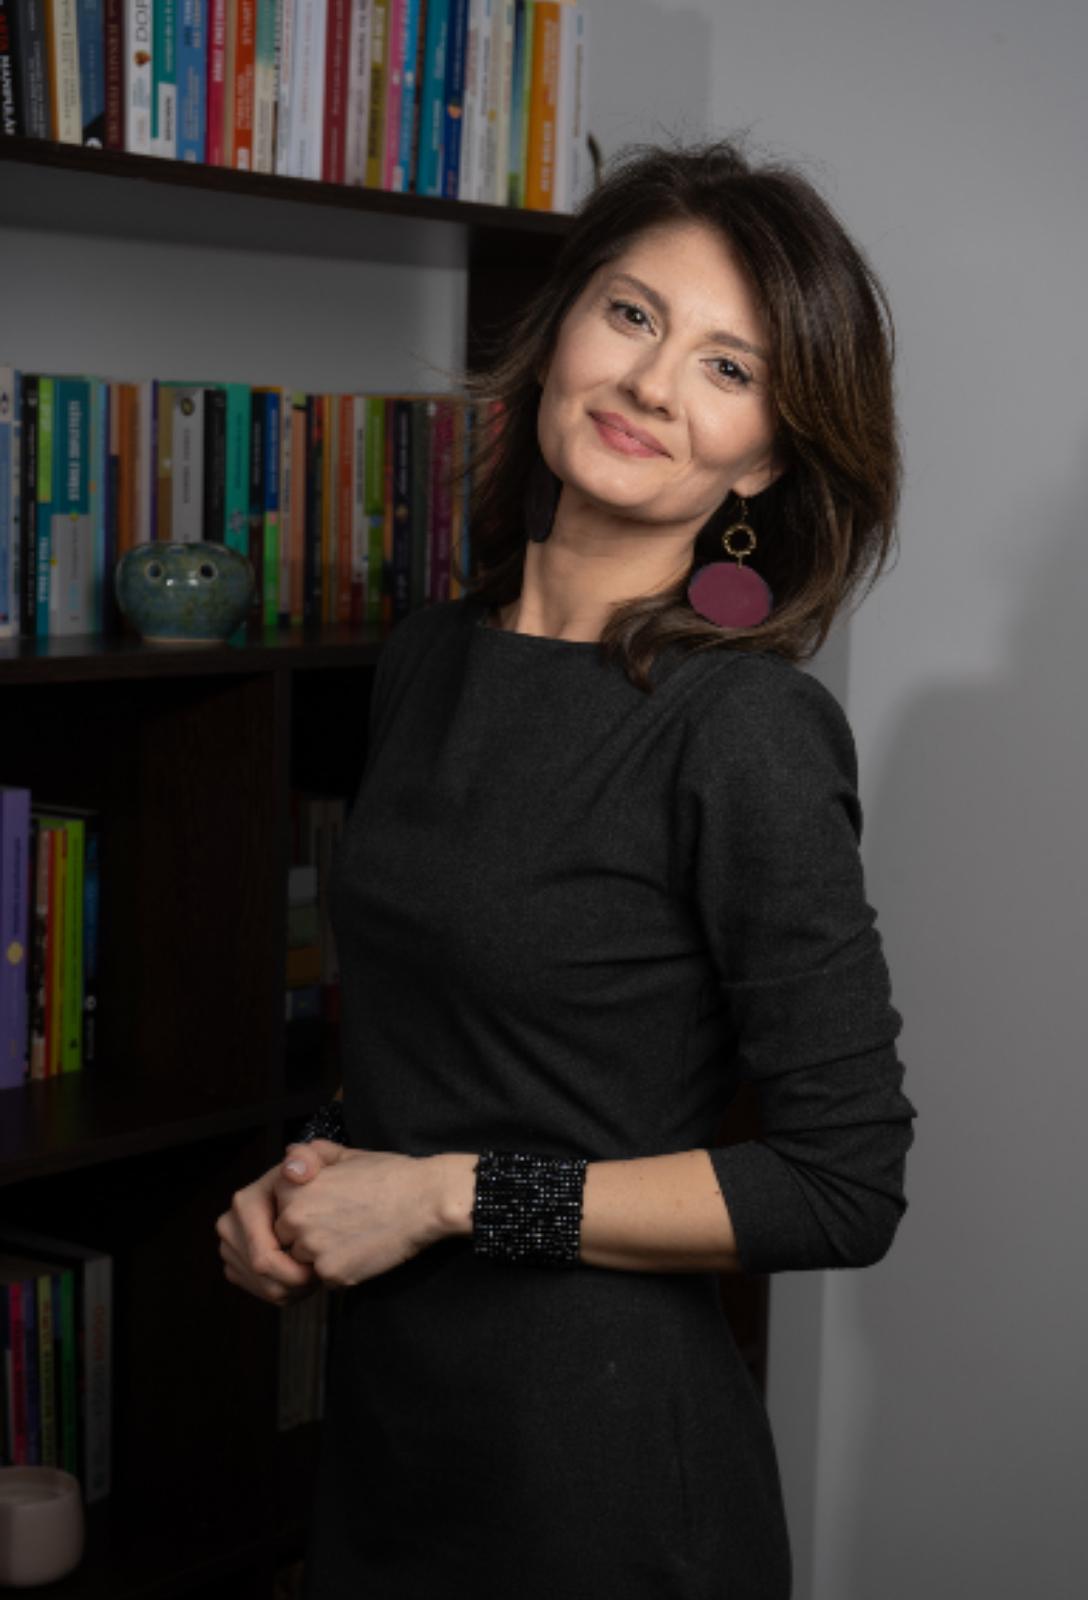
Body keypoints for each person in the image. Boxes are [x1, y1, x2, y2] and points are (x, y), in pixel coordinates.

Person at [215, 140, 918, 1599]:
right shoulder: (429, 657)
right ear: (561, 330)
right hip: (389, 1439)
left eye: (730, 368)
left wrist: (446, 1199)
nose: (654, 384)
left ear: (765, 458)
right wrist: (314, 1180)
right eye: (634, 314)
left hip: (604, 1484)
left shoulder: (745, 730)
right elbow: (463, 1045)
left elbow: (843, 1187)